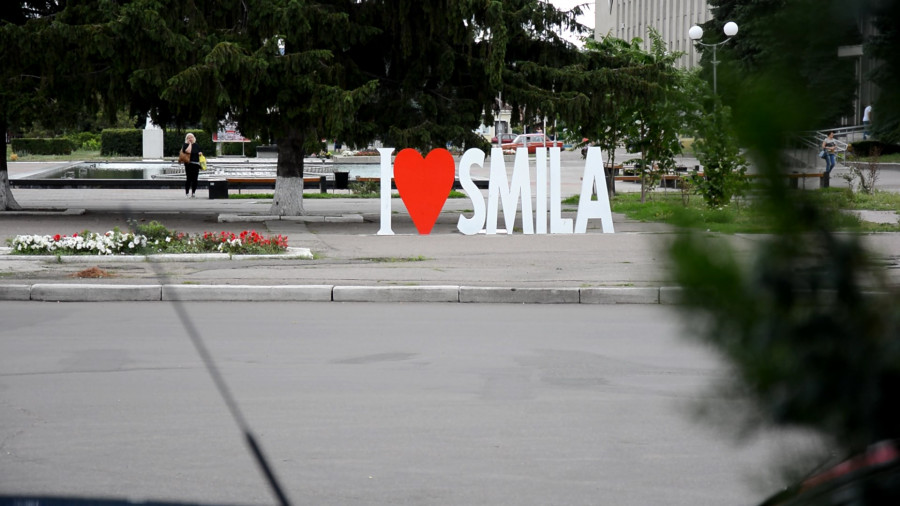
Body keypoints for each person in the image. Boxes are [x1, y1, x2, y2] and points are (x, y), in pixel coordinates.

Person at [181, 133, 203, 198]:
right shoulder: (185, 145)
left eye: (191, 137)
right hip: (188, 164)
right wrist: (190, 144)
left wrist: (200, 153)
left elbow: (200, 151)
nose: (190, 139)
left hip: (196, 164)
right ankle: (187, 193)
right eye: (189, 138)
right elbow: (188, 151)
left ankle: (193, 192)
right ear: (186, 139)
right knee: (189, 178)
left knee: (195, 179)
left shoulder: (196, 145)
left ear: (194, 138)